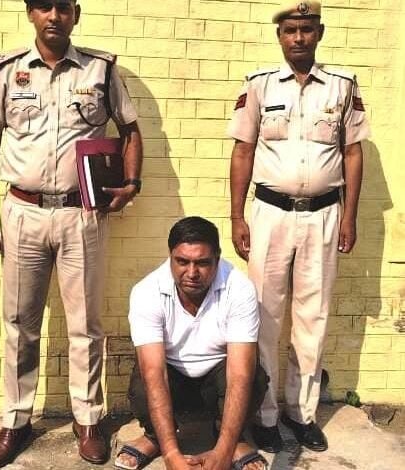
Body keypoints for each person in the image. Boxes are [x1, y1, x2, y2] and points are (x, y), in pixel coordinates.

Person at [0, 1, 143, 468]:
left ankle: (88, 420)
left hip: (81, 214)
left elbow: (130, 130)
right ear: (31, 13)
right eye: (44, 6)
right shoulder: (7, 71)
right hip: (23, 212)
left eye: (63, 7)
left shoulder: (100, 70)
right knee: (19, 322)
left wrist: (131, 184)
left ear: (76, 14)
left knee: (85, 323)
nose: (54, 16)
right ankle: (15, 420)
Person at [228, 0, 370, 454]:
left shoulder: (342, 86)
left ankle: (302, 414)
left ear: (319, 33)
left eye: (307, 29)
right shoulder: (259, 84)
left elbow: (352, 153)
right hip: (270, 213)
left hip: (324, 215)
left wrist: (349, 215)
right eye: (290, 30)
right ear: (280, 35)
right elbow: (243, 151)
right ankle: (265, 414)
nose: (299, 38)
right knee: (265, 315)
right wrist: (236, 215)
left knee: (313, 315)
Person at [115, 217, 269, 470]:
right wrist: (171, 455)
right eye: (182, 261)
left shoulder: (239, 288)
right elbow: (154, 373)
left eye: (203, 263)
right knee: (143, 382)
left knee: (254, 378)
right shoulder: (147, 291)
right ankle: (156, 438)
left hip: (217, 379)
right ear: (170, 257)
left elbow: (240, 373)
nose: (192, 273)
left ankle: (230, 439)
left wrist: (223, 453)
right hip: (173, 380)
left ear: (217, 259)